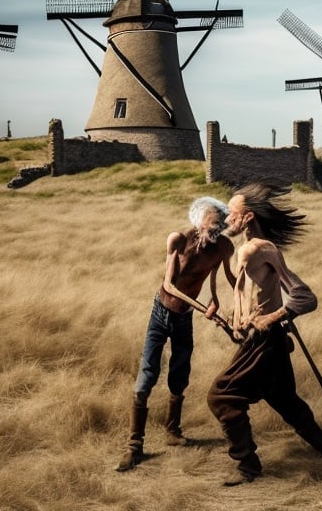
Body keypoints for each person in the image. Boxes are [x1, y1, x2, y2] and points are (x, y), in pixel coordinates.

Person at [207, 183, 322, 486]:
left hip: (266, 342)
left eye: (233, 213)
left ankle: (248, 466)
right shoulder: (244, 250)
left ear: (248, 217)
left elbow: (304, 297)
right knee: (284, 398)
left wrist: (270, 318)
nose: (227, 218)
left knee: (221, 397)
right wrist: (232, 323)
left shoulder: (261, 248)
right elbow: (253, 299)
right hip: (263, 341)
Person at [115, 196, 236, 472]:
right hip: (161, 314)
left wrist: (220, 301)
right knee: (147, 375)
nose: (215, 233)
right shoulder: (178, 239)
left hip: (184, 319)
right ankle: (134, 446)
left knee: (180, 374)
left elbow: (219, 276)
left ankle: (172, 432)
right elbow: (170, 285)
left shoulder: (223, 247)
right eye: (211, 228)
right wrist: (206, 308)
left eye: (220, 228)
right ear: (200, 222)